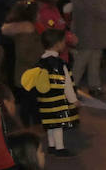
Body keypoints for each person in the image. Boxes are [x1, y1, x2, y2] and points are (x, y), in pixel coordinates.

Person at [20, 28, 78, 156]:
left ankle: (51, 146)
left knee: (50, 123)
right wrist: (73, 99)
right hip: (57, 100)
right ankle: (59, 148)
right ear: (57, 44)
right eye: (63, 41)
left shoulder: (40, 62)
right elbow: (67, 84)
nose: (64, 44)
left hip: (44, 100)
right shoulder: (60, 64)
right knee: (58, 124)